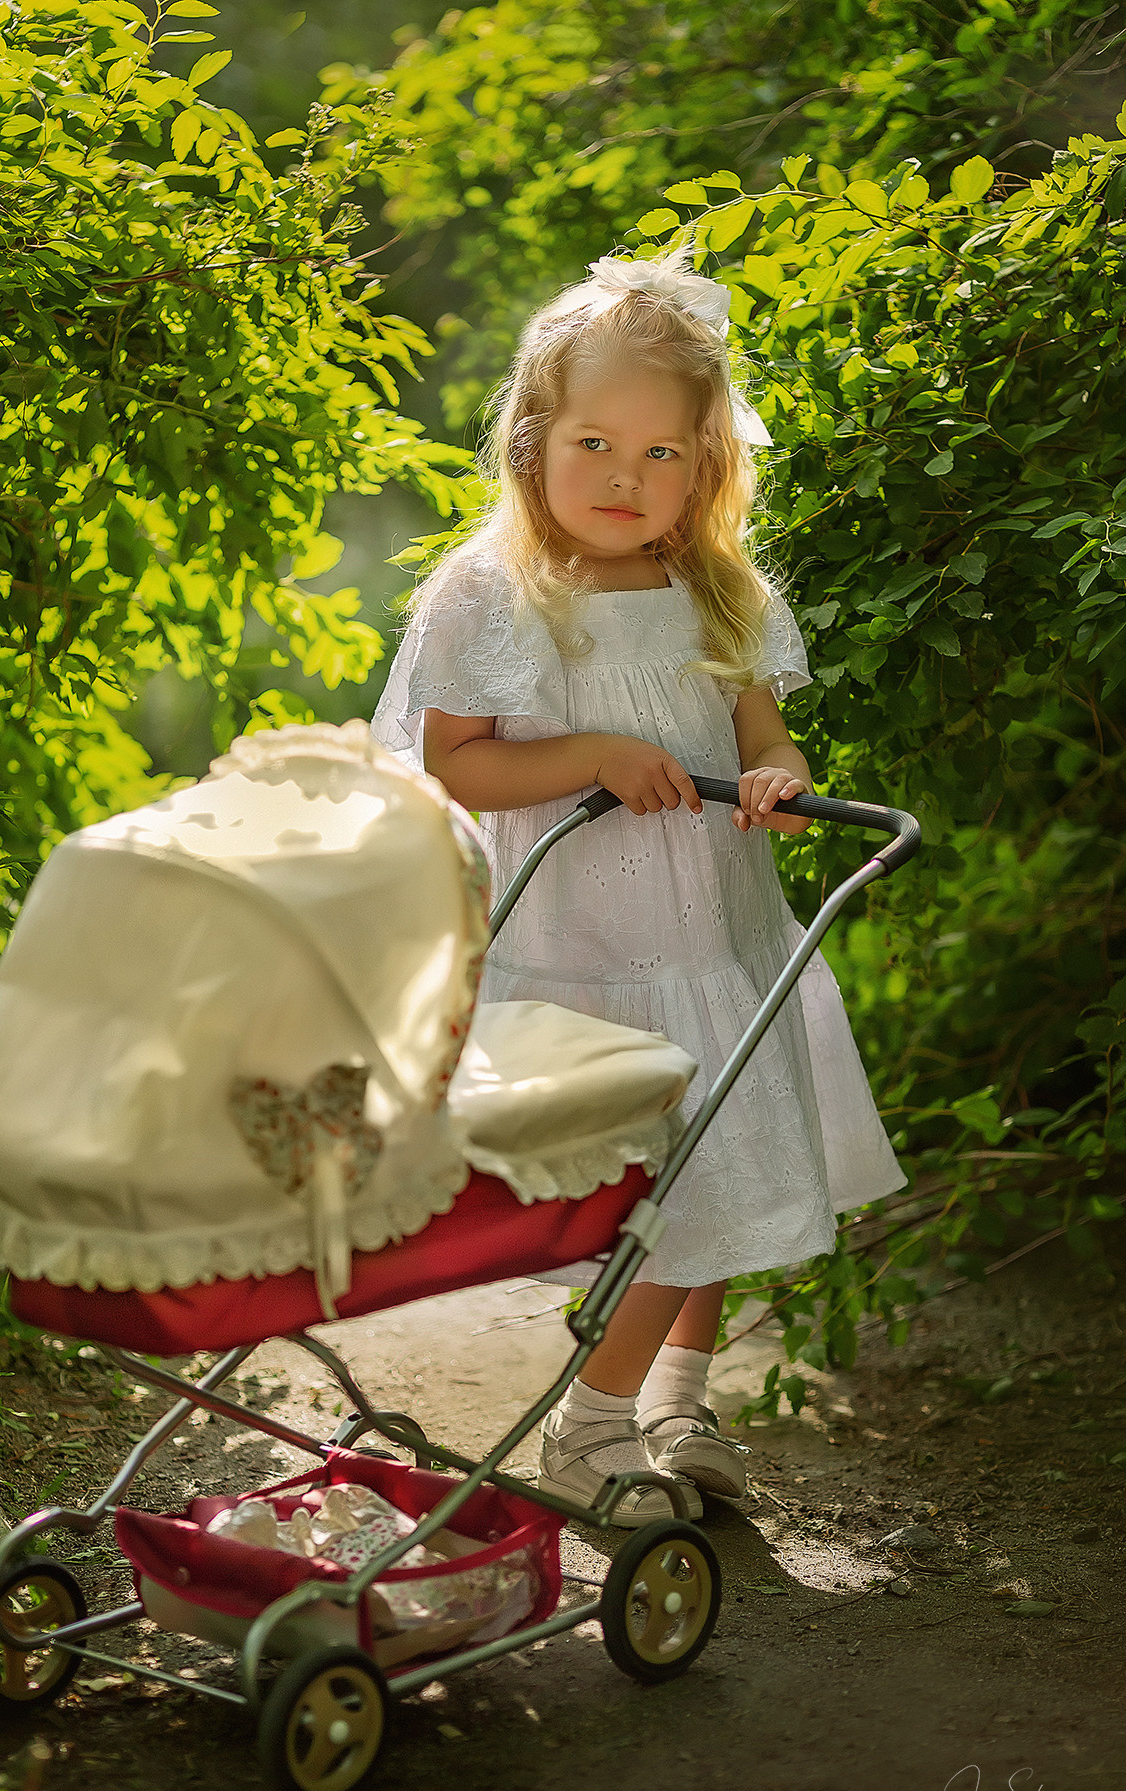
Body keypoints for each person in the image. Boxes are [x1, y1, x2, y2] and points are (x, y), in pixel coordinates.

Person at [372, 247, 905, 1525]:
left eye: (664, 454)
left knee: (719, 1154)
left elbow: (764, 737)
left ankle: (675, 1398)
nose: (626, 478)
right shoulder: (493, 594)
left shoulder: (714, 588)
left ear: (706, 464)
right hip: (584, 943)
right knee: (658, 1182)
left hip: (714, 930)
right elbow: (459, 765)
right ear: (532, 443)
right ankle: (589, 1429)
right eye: (597, 444)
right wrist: (596, 757)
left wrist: (774, 775)